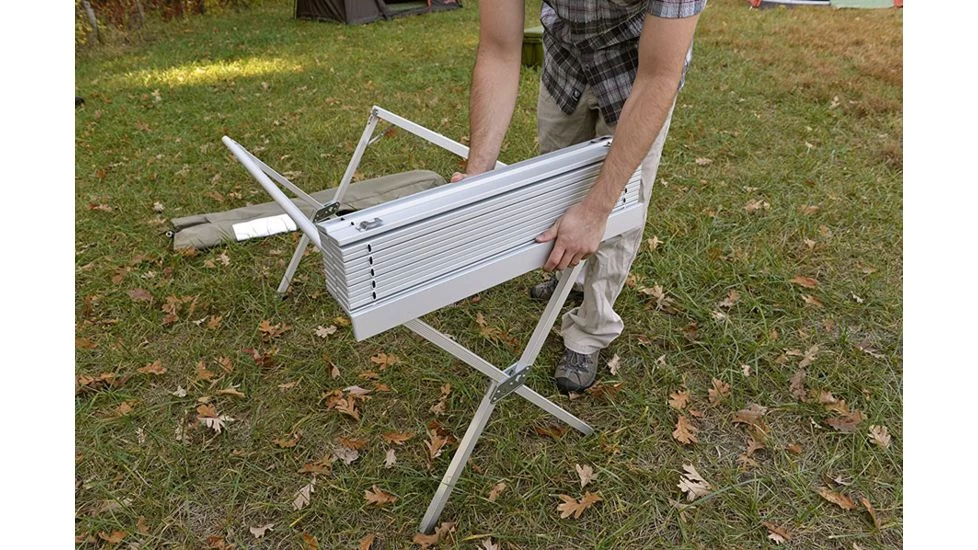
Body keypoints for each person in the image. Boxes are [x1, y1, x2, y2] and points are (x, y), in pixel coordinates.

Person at [452, 0, 706, 393]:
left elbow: (658, 76)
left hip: (638, 69)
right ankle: (571, 278)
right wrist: (477, 174)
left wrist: (597, 209)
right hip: (566, 62)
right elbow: (499, 49)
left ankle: (590, 329)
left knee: (617, 211)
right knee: (556, 188)